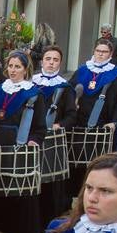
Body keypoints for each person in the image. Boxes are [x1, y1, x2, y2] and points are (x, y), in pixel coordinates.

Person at [0, 51, 46, 233]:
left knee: (22, 196)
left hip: (21, 150)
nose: (13, 70)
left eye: (17, 67)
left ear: (25, 69)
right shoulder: (0, 91)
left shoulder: (33, 94)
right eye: (10, 66)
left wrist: (33, 141)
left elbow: (40, 128)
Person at [33, 45, 78, 220]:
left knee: (50, 181)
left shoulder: (64, 87)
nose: (51, 63)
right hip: (34, 139)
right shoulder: (32, 83)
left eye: (55, 60)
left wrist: (60, 124)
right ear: (42, 61)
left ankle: (48, 217)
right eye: (48, 59)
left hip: (53, 141)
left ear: (60, 63)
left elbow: (72, 115)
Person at [70, 38, 117, 131]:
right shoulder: (82, 70)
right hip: (78, 122)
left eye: (104, 51)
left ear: (110, 54)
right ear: (94, 51)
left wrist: (115, 122)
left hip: (103, 125)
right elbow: (69, 92)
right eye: (98, 50)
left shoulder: (115, 74)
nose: (100, 54)